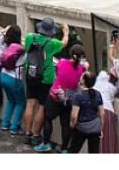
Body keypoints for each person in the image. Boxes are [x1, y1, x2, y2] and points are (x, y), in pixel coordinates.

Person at [22, 17, 69, 148]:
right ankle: (36, 135)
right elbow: (64, 43)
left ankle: (27, 133)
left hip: (31, 74)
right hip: (46, 78)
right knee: (42, 106)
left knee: (30, 104)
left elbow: (26, 49)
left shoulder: (30, 37)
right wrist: (66, 32)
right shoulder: (52, 43)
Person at [38, 43, 89, 152]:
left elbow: (58, 72)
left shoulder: (62, 62)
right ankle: (64, 149)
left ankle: (46, 144)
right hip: (69, 98)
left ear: (71, 53)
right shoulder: (81, 69)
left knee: (48, 118)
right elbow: (85, 66)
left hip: (55, 96)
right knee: (66, 124)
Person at [0, 25, 27, 134]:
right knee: (21, 102)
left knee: (10, 100)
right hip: (14, 79)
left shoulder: (6, 45)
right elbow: (24, 62)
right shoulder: (21, 50)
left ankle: (5, 124)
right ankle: (14, 128)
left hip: (3, 75)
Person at [67, 72, 104, 153]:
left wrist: (72, 125)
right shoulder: (98, 94)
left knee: (73, 150)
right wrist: (101, 128)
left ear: (83, 80)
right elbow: (102, 113)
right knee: (94, 152)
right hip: (95, 128)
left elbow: (74, 116)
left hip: (81, 128)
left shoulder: (78, 95)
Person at [94, 69, 119, 153]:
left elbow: (102, 73)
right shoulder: (114, 88)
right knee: (108, 136)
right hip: (108, 111)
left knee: (97, 138)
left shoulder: (100, 78)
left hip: (95, 110)